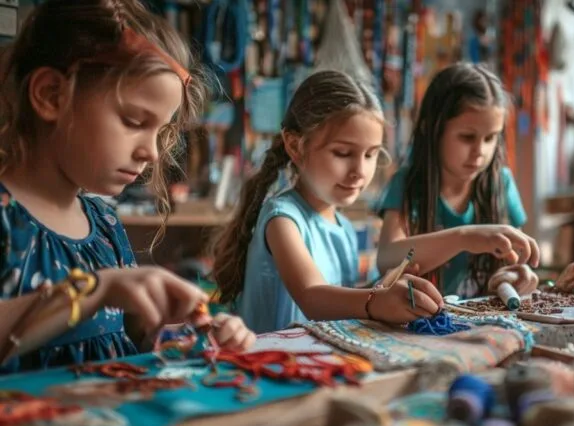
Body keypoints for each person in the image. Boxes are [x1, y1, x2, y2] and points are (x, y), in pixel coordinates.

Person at [0, 0, 254, 374]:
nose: (151, 152)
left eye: (162, 131)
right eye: (134, 121)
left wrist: (193, 334)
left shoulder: (103, 225)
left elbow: (126, 337)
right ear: (52, 96)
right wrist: (94, 290)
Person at [212, 70, 443, 333]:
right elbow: (313, 298)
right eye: (343, 153)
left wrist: (382, 287)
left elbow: (337, 302)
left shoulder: (343, 227)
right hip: (270, 365)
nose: (360, 170)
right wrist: (375, 300)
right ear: (296, 146)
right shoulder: (283, 220)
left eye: (370, 155)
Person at [375, 63, 574, 298]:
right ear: (429, 128)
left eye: (490, 138)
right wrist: (464, 238)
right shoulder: (409, 183)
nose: (480, 151)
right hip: (416, 323)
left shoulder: (500, 183)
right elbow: (386, 259)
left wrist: (518, 276)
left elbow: (514, 264)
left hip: (479, 324)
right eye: (467, 137)